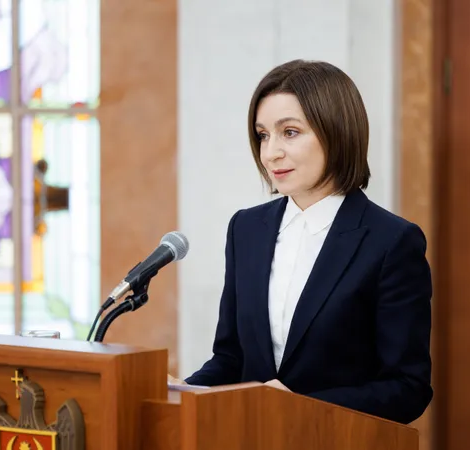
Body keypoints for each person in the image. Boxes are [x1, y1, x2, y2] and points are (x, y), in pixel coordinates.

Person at [172, 59, 433, 425]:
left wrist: (300, 406)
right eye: (263, 135)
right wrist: (185, 391)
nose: (270, 153)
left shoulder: (392, 241)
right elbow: (231, 359)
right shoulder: (246, 229)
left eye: (290, 132)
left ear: (336, 131)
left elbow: (407, 388)